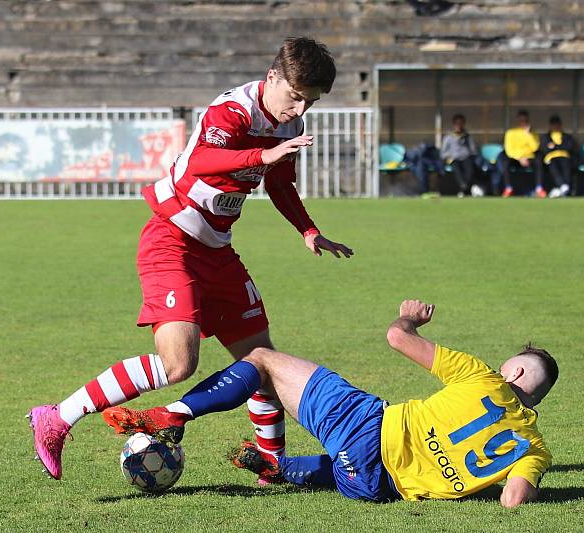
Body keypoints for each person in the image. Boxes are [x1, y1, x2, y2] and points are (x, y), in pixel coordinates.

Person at [27, 37, 354, 480]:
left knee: (261, 362)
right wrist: (264, 154)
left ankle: (271, 468)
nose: (299, 111)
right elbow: (201, 161)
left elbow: (280, 185)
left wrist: (309, 230)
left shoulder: (289, 127)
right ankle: (57, 417)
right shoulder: (233, 110)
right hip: (171, 238)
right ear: (272, 77)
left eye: (310, 103)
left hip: (217, 251)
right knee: (179, 364)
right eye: (295, 97)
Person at [103, 298, 557, 507]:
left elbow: (397, 338)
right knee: (343, 462)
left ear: (513, 374)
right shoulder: (535, 448)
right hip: (374, 488)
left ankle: (172, 414)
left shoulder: (484, 378)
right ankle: (280, 468)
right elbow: (512, 502)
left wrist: (410, 317)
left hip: (366, 429)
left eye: (506, 366)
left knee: (260, 359)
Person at [499, 110, 542, 197]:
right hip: (515, 158)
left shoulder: (533, 134)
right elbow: (509, 149)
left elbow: (535, 148)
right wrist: (519, 158)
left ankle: (539, 188)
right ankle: (508, 188)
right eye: (521, 120)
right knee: (505, 161)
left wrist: (528, 134)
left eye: (525, 121)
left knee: (538, 162)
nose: (523, 123)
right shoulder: (511, 132)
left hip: (529, 158)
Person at [441, 114, 482, 197]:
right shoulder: (448, 138)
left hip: (466, 158)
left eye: (461, 124)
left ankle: (463, 189)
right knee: (456, 168)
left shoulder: (467, 137)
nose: (459, 126)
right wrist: (450, 156)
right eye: (457, 124)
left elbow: (474, 150)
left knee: (470, 169)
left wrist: (468, 151)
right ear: (453, 125)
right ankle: (464, 187)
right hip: (454, 159)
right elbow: (443, 153)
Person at [539, 115, 576, 198]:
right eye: (553, 124)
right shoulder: (545, 137)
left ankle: (565, 186)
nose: (555, 126)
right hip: (551, 158)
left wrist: (555, 146)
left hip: (564, 156)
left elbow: (569, 147)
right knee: (553, 166)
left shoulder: (566, 136)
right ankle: (563, 185)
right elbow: (544, 148)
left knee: (566, 165)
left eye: (557, 124)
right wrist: (559, 146)